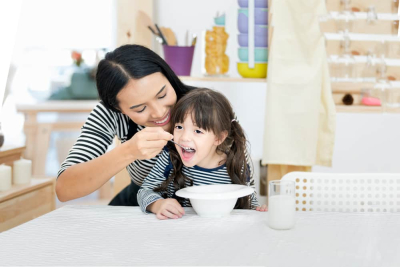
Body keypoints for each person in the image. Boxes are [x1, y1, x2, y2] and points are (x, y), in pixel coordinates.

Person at [55, 44, 196, 206]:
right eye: (140, 108)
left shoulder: (205, 104)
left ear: (168, 76)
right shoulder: (110, 114)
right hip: (137, 207)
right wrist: (129, 151)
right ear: (117, 108)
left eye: (162, 95)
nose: (158, 112)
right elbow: (64, 189)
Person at [138, 88, 268, 219]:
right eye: (179, 127)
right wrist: (157, 204)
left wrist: (259, 209)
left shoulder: (236, 160)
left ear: (219, 138)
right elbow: (144, 192)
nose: (184, 137)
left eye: (198, 131)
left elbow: (249, 202)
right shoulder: (170, 157)